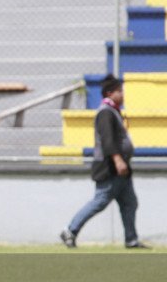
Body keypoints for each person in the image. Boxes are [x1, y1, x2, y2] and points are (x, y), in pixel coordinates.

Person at [60, 73, 150, 249]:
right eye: (119, 91)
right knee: (100, 201)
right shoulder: (105, 113)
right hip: (110, 168)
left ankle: (131, 239)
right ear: (109, 93)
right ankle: (70, 231)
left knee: (129, 202)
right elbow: (108, 140)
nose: (122, 94)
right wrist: (118, 160)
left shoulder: (114, 111)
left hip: (121, 169)